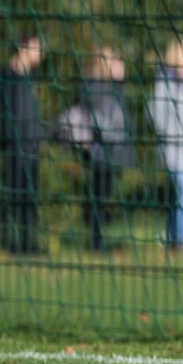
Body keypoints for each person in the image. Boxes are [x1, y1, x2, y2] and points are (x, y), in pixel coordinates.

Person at [54, 47, 133, 251]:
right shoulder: (94, 86)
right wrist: (116, 81)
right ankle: (97, 242)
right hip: (99, 151)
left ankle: (98, 240)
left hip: (110, 151)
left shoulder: (106, 87)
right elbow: (101, 111)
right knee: (98, 197)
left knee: (103, 196)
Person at [146, 37, 183, 251]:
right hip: (174, 149)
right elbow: (155, 113)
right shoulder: (166, 82)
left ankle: (176, 237)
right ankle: (181, 242)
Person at [0, 34, 45, 254]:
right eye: (36, 47)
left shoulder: (30, 78)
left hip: (32, 144)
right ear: (24, 48)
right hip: (17, 145)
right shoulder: (10, 75)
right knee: (14, 194)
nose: (40, 52)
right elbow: (8, 114)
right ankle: (12, 241)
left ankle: (29, 241)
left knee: (29, 196)